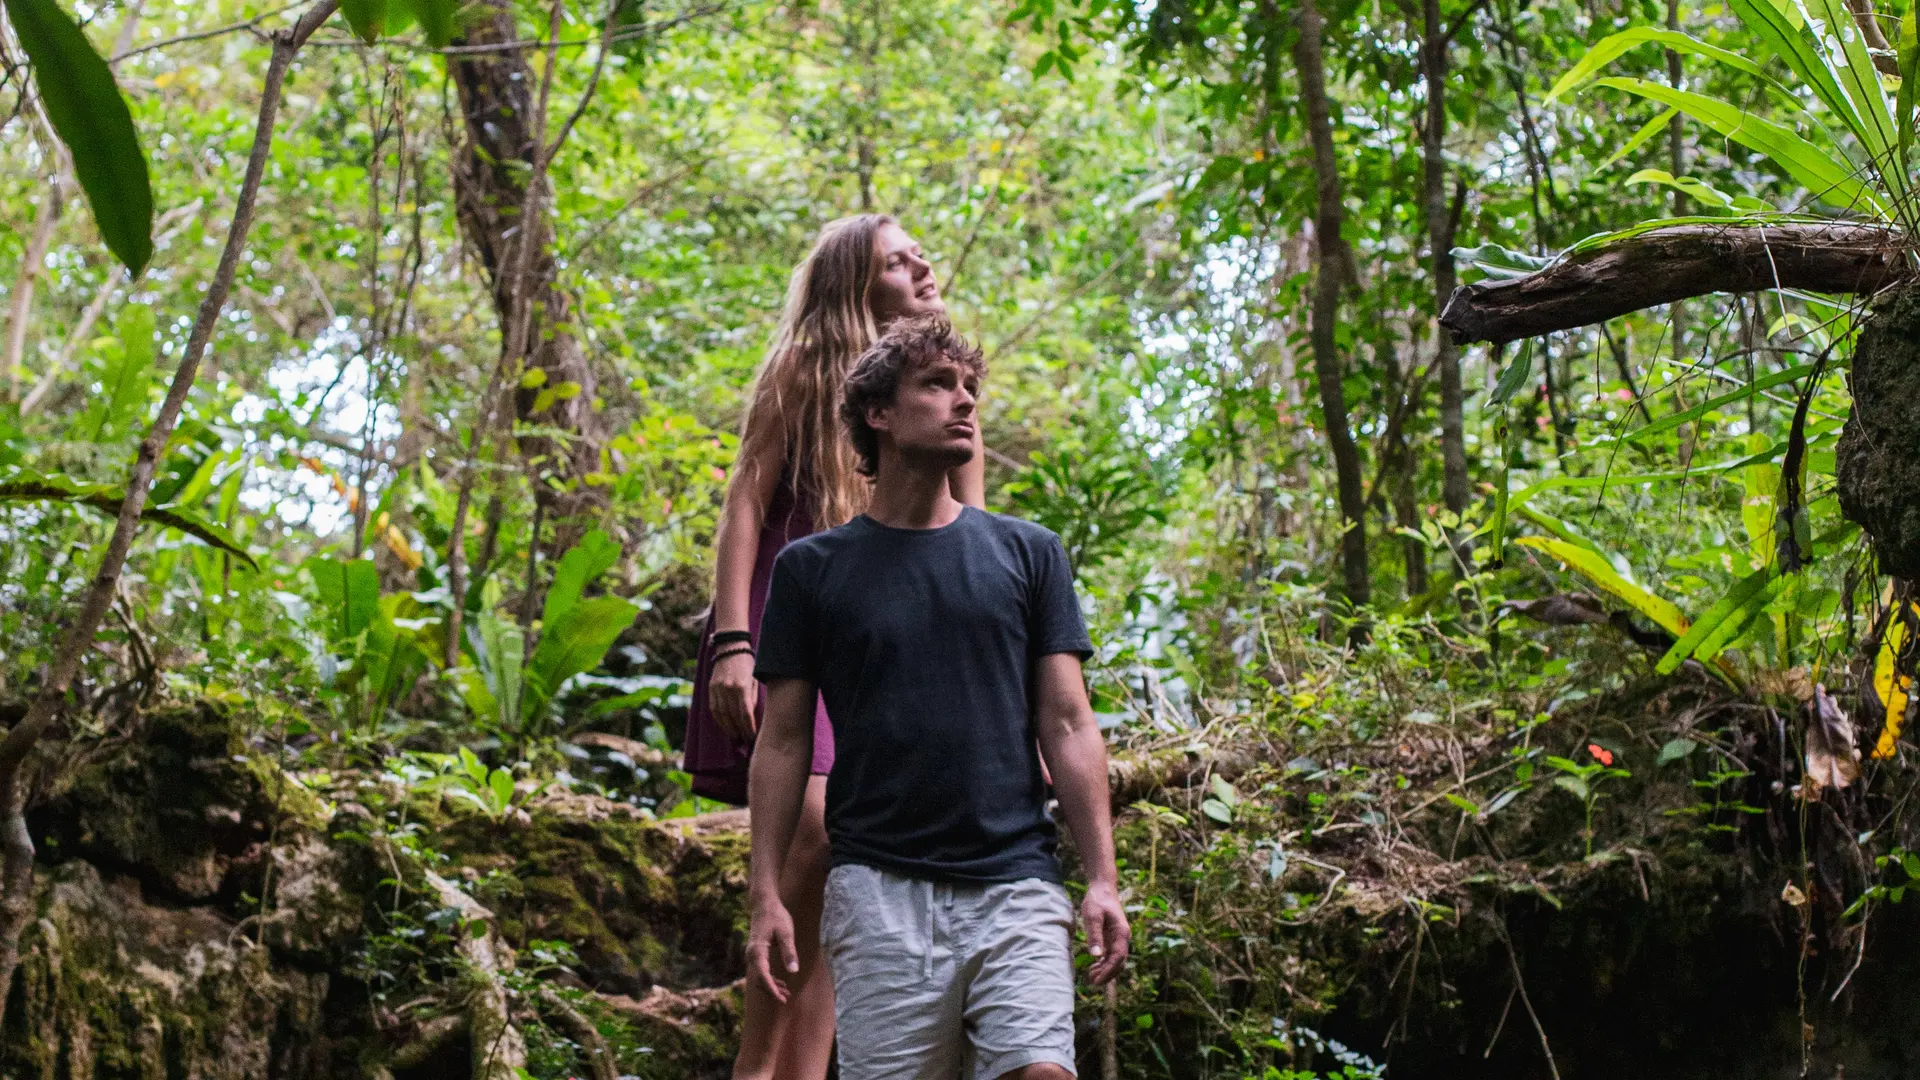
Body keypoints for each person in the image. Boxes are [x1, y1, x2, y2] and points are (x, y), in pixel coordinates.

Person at [745, 317, 1129, 1080]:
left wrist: (1101, 878)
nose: (965, 403)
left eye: (971, 389)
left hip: (1015, 881)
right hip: (878, 891)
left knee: (1042, 1073)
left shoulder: (1028, 553)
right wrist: (766, 895)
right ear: (878, 414)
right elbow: (784, 742)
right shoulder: (810, 570)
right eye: (939, 384)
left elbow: (1068, 720)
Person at [684, 214, 985, 1080]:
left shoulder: (945, 389)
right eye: (898, 259)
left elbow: (969, 529)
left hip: (878, 644)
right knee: (812, 827)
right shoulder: (803, 368)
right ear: (855, 283)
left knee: (849, 869)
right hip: (788, 626)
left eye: (918, 253)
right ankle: (755, 1066)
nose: (923, 263)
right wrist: (733, 641)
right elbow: (745, 501)